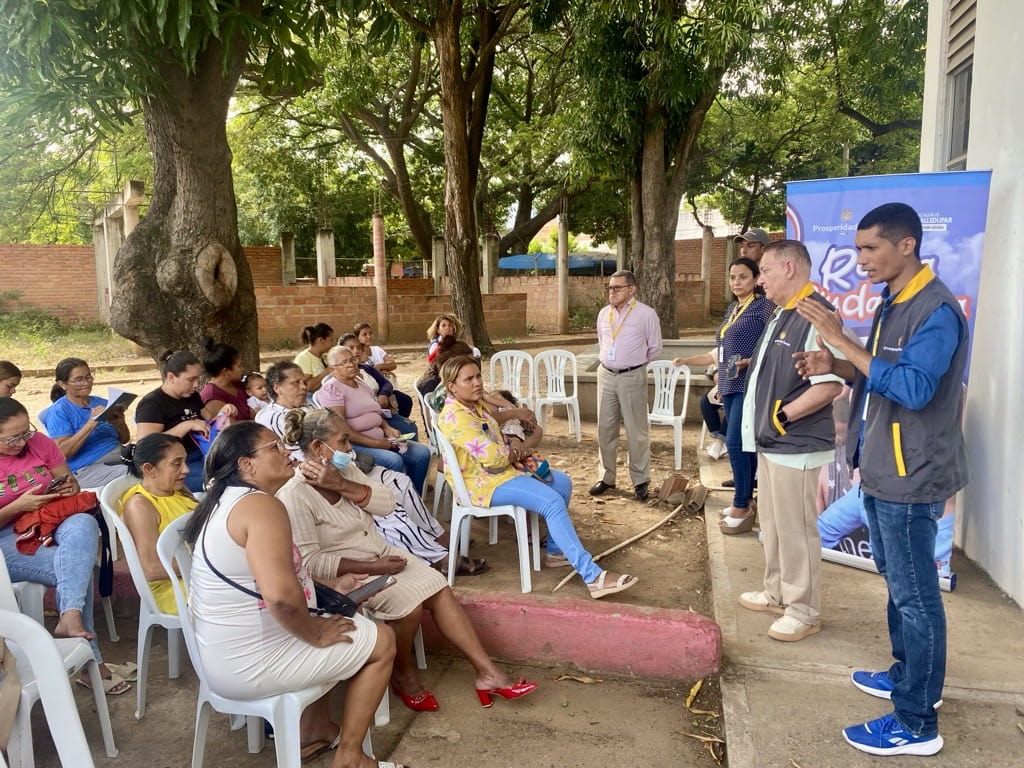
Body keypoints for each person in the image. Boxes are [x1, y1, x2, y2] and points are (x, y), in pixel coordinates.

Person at [794, 202, 968, 757]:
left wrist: (843, 342)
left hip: (913, 473)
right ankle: (907, 676)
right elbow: (877, 372)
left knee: (916, 598)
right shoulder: (896, 298)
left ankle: (917, 723)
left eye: (870, 248)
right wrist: (835, 363)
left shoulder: (935, 310)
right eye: (859, 249)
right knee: (900, 585)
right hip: (882, 467)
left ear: (906, 245)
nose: (860, 259)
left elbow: (915, 390)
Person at [279, 408, 532, 711]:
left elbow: (386, 504)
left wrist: (343, 485)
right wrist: (372, 567)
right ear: (319, 448)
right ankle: (403, 675)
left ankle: (487, 673)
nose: (350, 449)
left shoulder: (344, 471)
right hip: (348, 575)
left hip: (381, 554)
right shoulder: (295, 494)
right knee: (409, 605)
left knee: (438, 585)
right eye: (344, 442)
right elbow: (312, 563)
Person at [182, 422, 399, 767]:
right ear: (246, 465)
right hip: (250, 662)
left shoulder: (229, 500)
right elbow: (281, 599)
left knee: (333, 621)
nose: (286, 452)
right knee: (382, 640)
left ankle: (317, 729)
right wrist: (314, 632)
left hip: (228, 655)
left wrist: (327, 593)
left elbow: (279, 581)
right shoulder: (261, 508)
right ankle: (351, 758)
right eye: (273, 448)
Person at [438, 355, 639, 600]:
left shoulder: (473, 405)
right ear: (452, 386)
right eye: (468, 379)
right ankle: (593, 576)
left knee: (562, 483)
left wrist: (511, 444)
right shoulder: (456, 417)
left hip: (501, 473)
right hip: (482, 485)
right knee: (552, 502)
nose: (477, 382)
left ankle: (555, 552)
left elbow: (497, 440)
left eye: (478, 376)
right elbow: (493, 458)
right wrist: (515, 450)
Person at [736, 240, 844, 642]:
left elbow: (829, 384)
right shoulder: (786, 312)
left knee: (797, 530)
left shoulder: (817, 315)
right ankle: (776, 591)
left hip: (795, 443)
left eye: (764, 271)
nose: (759, 280)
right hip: (773, 443)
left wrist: (781, 417)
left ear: (788, 268)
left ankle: (803, 609)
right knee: (776, 526)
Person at [0, 398, 133, 695]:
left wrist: (67, 487)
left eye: (26, 432)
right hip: (6, 541)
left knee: (83, 526)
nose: (23, 441)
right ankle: (91, 662)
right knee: (76, 566)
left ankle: (71, 617)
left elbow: (68, 480)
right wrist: (16, 507)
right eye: (13, 437)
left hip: (49, 522)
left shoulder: (39, 443)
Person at [260, 363, 453, 566]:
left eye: (304, 381)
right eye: (295, 383)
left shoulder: (307, 407)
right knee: (391, 512)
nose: (303, 386)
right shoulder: (271, 418)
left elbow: (339, 434)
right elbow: (292, 461)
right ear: (277, 388)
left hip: (342, 466)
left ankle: (434, 539)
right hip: (321, 478)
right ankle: (436, 556)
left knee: (400, 482)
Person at [676, 258, 775, 533]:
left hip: (749, 384)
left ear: (756, 279)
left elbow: (774, 343)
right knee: (742, 445)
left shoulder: (764, 306)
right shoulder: (734, 309)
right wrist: (709, 371)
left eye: (743, 277)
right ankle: (746, 501)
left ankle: (742, 504)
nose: (736, 283)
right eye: (732, 277)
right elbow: (721, 350)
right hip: (730, 385)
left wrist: (750, 360)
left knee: (735, 444)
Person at [318, 346, 431, 495]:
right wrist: (377, 444)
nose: (351, 364)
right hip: (353, 445)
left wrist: (387, 429)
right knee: (393, 460)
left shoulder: (362, 384)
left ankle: (412, 498)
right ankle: (393, 507)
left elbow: (375, 412)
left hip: (379, 438)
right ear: (333, 370)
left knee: (422, 453)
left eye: (353, 359)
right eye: (344, 362)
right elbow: (341, 429)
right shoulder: (331, 389)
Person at [591, 269, 662, 501]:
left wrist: (633, 364)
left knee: (636, 431)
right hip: (606, 375)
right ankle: (606, 477)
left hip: (632, 375)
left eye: (617, 288)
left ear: (631, 289)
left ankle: (640, 480)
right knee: (605, 428)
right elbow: (603, 343)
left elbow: (654, 348)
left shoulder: (646, 314)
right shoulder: (604, 314)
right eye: (610, 288)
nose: (611, 292)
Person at [136, 349, 235, 493]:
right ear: (171, 377)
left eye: (198, 379)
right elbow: (145, 446)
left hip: (205, 454)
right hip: (177, 464)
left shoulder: (192, 396)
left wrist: (224, 414)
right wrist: (186, 425)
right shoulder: (152, 404)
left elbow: (208, 421)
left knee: (242, 467)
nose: (196, 385)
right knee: (223, 481)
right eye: (191, 379)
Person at [119, 433, 196, 614]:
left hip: (197, 575)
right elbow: (152, 569)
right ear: (149, 469)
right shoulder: (140, 506)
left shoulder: (178, 490)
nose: (186, 470)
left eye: (184, 461)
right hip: (176, 588)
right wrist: (207, 563)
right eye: (176, 464)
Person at [40, 357, 131, 487]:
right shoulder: (59, 411)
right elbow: (62, 453)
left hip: (118, 454)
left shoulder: (102, 403)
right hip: (86, 467)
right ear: (63, 384)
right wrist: (92, 422)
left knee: (157, 463)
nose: (86, 383)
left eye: (88, 377)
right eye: (78, 379)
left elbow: (124, 439)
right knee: (139, 473)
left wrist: (120, 423)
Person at [338, 333, 415, 427]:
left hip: (382, 408)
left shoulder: (366, 368)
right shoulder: (342, 376)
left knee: (408, 417)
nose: (356, 351)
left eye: (358, 347)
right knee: (407, 428)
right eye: (351, 348)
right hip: (365, 416)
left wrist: (383, 395)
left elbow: (386, 383)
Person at [199, 339, 253, 420]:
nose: (242, 369)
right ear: (226, 371)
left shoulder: (238, 383)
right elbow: (226, 427)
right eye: (239, 366)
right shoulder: (212, 396)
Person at [295, 323, 335, 393]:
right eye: (330, 340)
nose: (332, 344)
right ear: (321, 340)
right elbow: (306, 387)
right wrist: (325, 372)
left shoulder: (325, 357)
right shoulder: (304, 358)